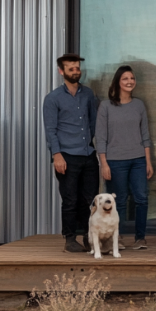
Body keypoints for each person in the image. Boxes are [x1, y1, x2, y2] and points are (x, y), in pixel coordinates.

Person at [41, 53, 99, 253]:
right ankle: (70, 238)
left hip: (88, 154)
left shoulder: (89, 94)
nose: (76, 71)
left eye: (77, 68)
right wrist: (56, 155)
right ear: (61, 71)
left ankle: (89, 237)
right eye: (71, 68)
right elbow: (51, 130)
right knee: (70, 198)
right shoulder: (53, 98)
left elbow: (93, 122)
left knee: (90, 198)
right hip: (66, 156)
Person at [96, 65, 153, 250]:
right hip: (114, 161)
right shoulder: (106, 106)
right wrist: (103, 163)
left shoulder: (139, 105)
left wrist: (148, 161)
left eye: (132, 78)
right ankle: (117, 238)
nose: (130, 82)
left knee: (141, 199)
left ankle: (140, 238)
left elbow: (145, 135)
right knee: (118, 200)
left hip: (138, 160)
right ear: (118, 82)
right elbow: (101, 137)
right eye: (125, 79)